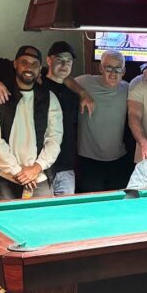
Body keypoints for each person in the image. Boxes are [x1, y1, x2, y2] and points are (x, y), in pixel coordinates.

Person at [0, 45, 63, 199]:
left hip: (40, 178)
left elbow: (54, 139)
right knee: (0, 223)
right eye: (24, 62)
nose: (29, 67)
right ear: (15, 64)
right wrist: (16, 170)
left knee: (43, 223)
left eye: (34, 64)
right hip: (4, 177)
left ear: (40, 68)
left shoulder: (50, 98)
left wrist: (36, 168)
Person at [41, 40, 96, 196]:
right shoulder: (37, 86)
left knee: (64, 213)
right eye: (59, 60)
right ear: (48, 60)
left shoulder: (73, 93)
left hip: (67, 165)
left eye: (69, 61)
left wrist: (83, 93)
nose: (64, 65)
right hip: (41, 166)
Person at [75, 50, 132, 192]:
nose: (113, 73)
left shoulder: (128, 88)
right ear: (101, 68)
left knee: (118, 204)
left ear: (123, 71)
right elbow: (63, 79)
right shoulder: (85, 82)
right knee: (91, 205)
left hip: (118, 159)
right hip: (89, 159)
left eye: (118, 68)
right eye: (108, 68)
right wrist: (82, 93)